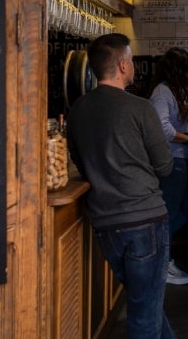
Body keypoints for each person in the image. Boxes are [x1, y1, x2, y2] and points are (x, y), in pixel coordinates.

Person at [67, 33, 176, 339]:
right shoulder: (140, 108)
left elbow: (79, 161)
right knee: (144, 315)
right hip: (145, 221)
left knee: (146, 304)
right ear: (123, 65)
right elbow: (165, 166)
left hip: (106, 226)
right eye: (130, 59)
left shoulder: (77, 110)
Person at [148, 47, 188, 286]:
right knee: (170, 214)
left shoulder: (176, 92)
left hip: (181, 159)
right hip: (172, 160)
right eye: (187, 67)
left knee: (187, 209)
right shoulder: (162, 92)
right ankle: (162, 262)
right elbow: (163, 129)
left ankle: (160, 254)